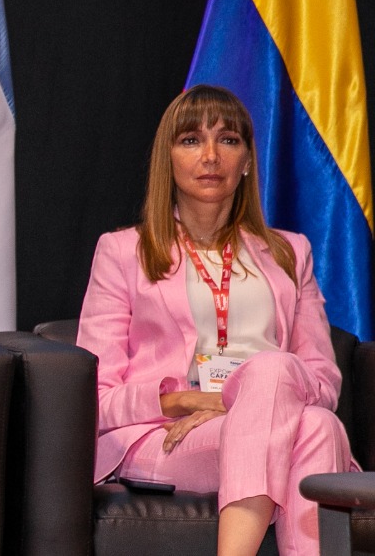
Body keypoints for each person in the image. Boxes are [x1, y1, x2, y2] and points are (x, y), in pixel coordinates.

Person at [77, 84, 354, 556]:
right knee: (303, 412)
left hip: (278, 422)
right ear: (167, 159)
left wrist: (250, 403)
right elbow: (95, 399)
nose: (210, 156)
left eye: (228, 139)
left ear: (247, 160)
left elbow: (324, 381)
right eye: (191, 140)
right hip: (165, 437)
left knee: (312, 418)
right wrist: (188, 399)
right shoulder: (122, 251)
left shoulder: (291, 253)